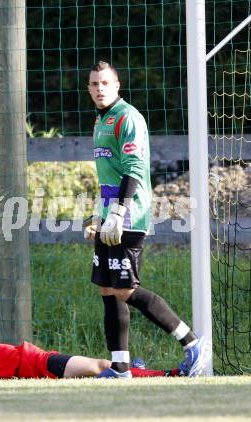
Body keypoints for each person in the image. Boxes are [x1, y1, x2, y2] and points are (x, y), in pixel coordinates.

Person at [83, 61, 207, 379]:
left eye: (105, 83)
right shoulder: (101, 122)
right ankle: (121, 367)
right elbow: (107, 177)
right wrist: (98, 216)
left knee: (125, 290)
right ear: (89, 88)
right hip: (110, 215)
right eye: (94, 83)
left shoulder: (128, 117)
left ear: (117, 85)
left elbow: (134, 169)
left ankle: (193, 343)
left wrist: (120, 213)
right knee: (108, 290)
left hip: (129, 217)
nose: (99, 88)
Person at [0, 341, 183, 381]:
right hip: (35, 363)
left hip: (32, 357)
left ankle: (142, 371)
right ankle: (170, 375)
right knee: (104, 367)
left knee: (104, 368)